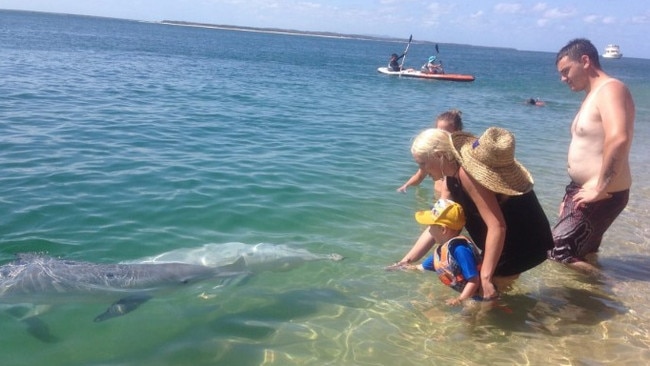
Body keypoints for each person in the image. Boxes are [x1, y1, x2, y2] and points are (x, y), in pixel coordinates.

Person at [390, 127, 553, 300]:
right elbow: (439, 222)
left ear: (439, 155)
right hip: (508, 238)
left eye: (422, 163)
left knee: (480, 301)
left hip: (523, 241)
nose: (421, 170)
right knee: (484, 296)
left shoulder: (468, 173)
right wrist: (406, 261)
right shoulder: (449, 178)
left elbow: (497, 226)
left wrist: (486, 276)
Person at [548, 38, 635, 274]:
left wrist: (599, 188)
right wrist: (572, 192)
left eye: (566, 71)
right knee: (582, 252)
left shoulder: (611, 89)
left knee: (557, 250)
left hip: (602, 192)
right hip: (584, 190)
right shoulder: (593, 94)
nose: (563, 79)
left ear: (585, 61)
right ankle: (591, 306)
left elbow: (619, 137)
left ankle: (607, 291)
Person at [410, 198, 483, 306]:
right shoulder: (443, 250)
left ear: (443, 230)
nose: (429, 230)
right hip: (468, 294)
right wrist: (404, 267)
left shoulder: (460, 250)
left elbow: (474, 281)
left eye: (430, 226)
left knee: (466, 316)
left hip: (478, 297)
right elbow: (422, 267)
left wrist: (460, 299)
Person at [397, 109, 464, 195]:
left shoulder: (462, 158)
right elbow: (420, 176)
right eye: (438, 130)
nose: (441, 134)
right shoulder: (431, 157)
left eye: (445, 132)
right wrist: (406, 185)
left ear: (458, 131)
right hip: (438, 198)